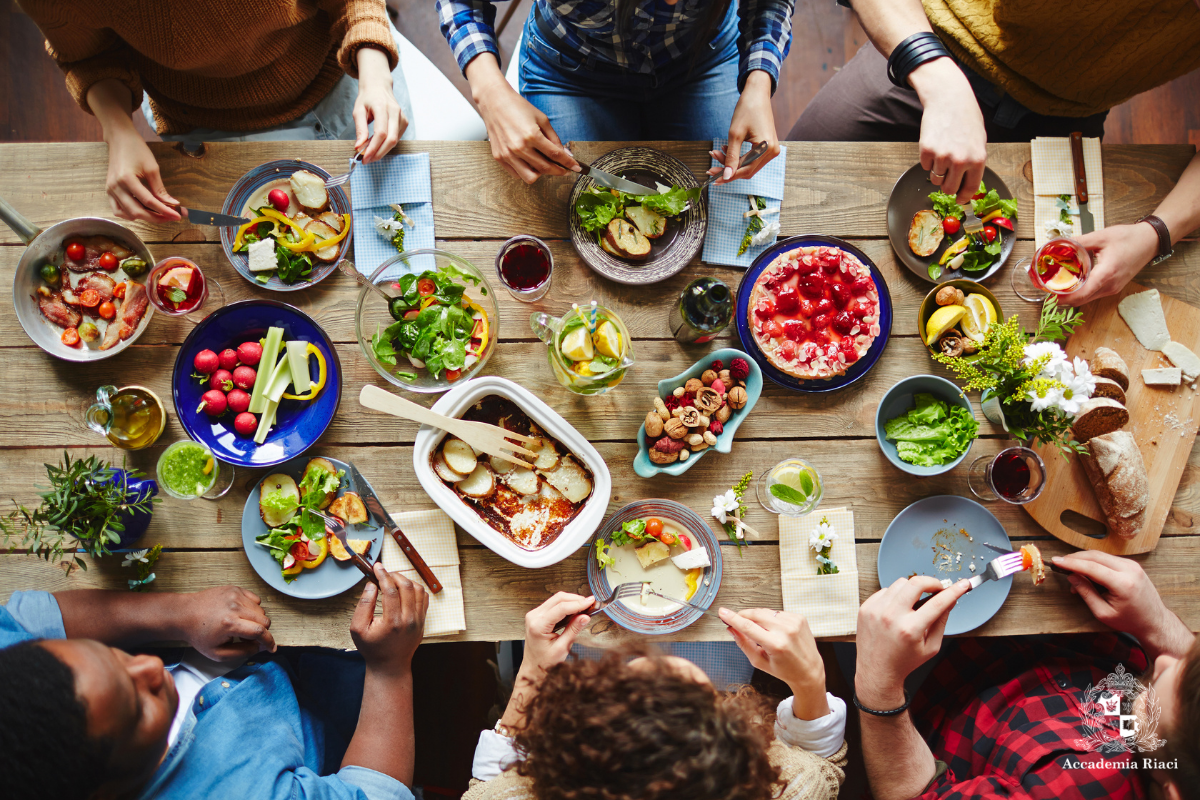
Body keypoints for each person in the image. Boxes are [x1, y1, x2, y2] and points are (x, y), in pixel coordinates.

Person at [788, 0, 1200, 307]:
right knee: (791, 187)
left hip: (1066, 113)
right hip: (935, 43)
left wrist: (1155, 234)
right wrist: (938, 79)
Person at [0, 563, 428, 800]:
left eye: (112, 656)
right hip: (339, 706)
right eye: (138, 704)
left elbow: (30, 618)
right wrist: (390, 669)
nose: (148, 667)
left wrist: (177, 614)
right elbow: (378, 793)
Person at [18, 0, 414, 223]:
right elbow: (87, 56)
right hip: (204, 127)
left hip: (344, 73)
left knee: (398, 224)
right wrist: (118, 130)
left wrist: (376, 76)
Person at [854, 550, 1198, 800]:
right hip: (1083, 647)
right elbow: (1177, 656)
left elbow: (916, 795)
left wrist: (878, 685)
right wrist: (1159, 625)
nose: (1167, 661)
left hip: (933, 697)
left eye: (1156, 699)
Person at [463, 592, 847, 800]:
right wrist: (810, 682)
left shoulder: (510, 795)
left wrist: (533, 670)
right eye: (703, 696)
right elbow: (821, 767)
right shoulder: (792, 789)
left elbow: (488, 786)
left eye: (617, 681)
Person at [435, 0, 792, 184]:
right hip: (569, 72)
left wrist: (759, 82)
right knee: (574, 208)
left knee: (723, 211)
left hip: (702, 59)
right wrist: (489, 91)